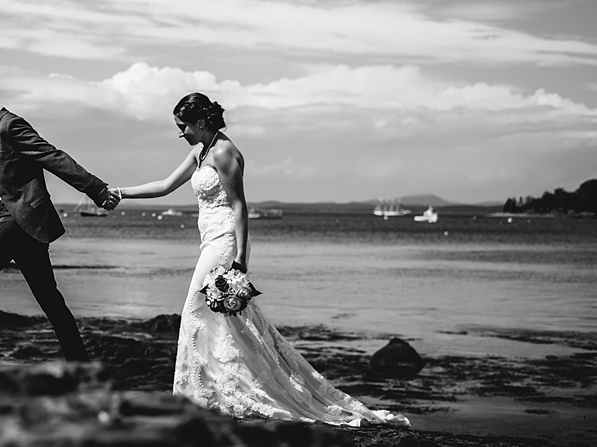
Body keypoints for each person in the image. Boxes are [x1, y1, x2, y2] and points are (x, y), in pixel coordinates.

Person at [110, 93, 408, 426]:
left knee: (197, 309)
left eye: (183, 127)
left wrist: (240, 260)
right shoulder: (200, 152)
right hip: (208, 239)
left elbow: (239, 206)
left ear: (201, 123)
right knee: (228, 320)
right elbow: (165, 186)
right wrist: (121, 192)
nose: (181, 134)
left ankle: (210, 392)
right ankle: (216, 390)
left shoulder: (225, 153)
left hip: (225, 242)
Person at [0, 71, 120, 367]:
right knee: (49, 299)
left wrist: (97, 189)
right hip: (23, 222)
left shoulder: (10, 124)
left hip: (16, 218)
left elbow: (52, 156)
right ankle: (79, 366)